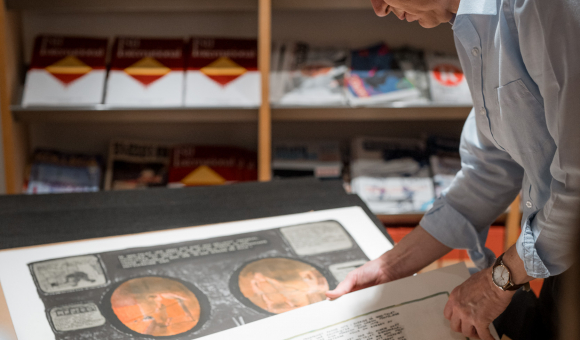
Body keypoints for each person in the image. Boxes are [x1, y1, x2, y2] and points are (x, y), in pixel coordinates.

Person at [326, 0, 580, 339]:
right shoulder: (470, 22)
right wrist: (390, 267)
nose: (379, 9)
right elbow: (492, 166)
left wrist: (497, 282)